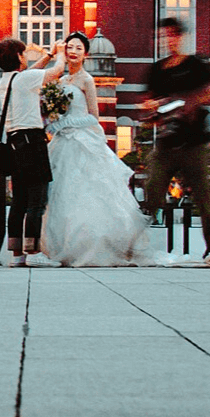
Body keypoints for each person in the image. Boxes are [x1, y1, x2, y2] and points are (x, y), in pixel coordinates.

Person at [41, 32, 153, 267]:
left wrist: (67, 123)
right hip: (61, 142)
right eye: (70, 47)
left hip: (81, 140)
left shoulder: (86, 80)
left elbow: (94, 116)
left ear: (86, 54)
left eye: (78, 48)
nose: (73, 51)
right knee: (60, 192)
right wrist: (54, 122)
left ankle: (89, 244)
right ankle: (58, 244)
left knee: (85, 192)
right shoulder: (59, 82)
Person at [142, 16, 210, 263]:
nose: (168, 40)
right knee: (152, 192)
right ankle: (135, 241)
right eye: (164, 36)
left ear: (180, 37)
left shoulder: (195, 65)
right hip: (167, 142)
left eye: (172, 35)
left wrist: (193, 101)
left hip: (194, 143)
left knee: (203, 197)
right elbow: (149, 104)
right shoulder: (157, 70)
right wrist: (154, 108)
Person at [0, 37, 64, 265]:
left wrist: (48, 55)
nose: (26, 58)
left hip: (14, 143)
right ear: (17, 57)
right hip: (33, 142)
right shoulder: (25, 80)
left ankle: (17, 254)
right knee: (37, 200)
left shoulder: (6, 81)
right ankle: (33, 251)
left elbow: (31, 73)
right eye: (23, 54)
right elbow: (58, 72)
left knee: (19, 201)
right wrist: (60, 53)